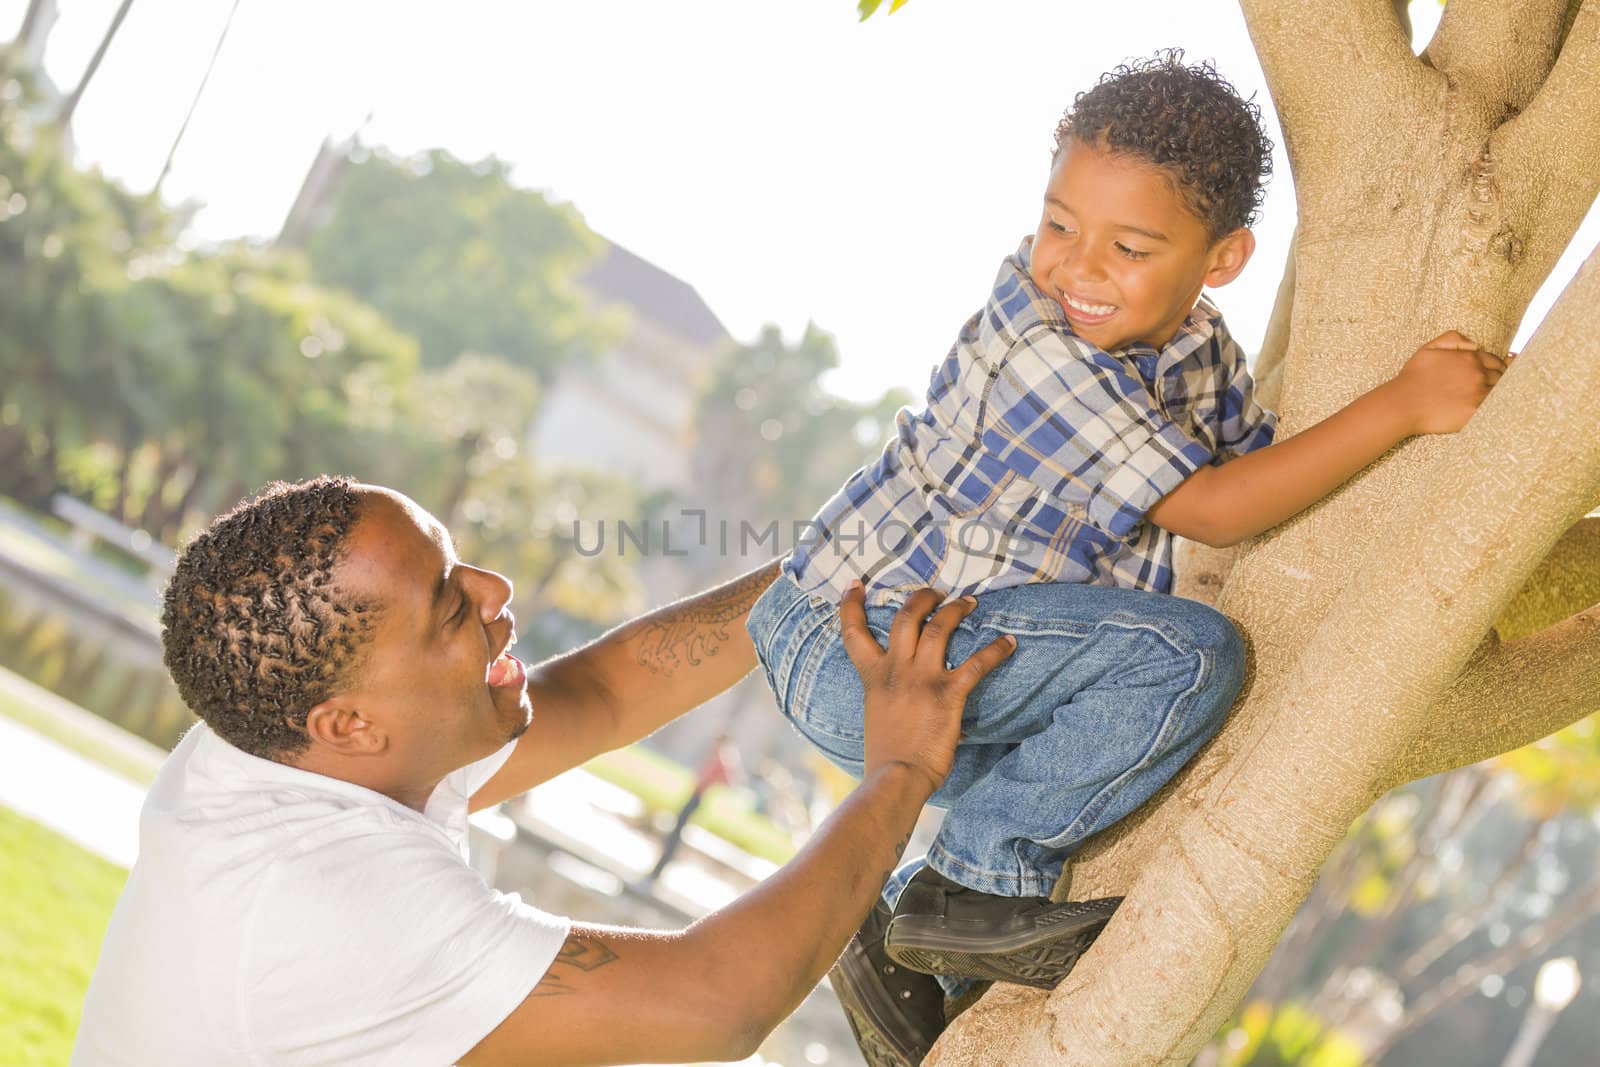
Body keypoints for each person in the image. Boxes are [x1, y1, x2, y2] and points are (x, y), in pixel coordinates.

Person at [746, 51, 1508, 1063]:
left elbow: (1266, 464)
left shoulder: (1196, 346)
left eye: (1128, 246)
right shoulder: (1039, 341)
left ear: (1220, 258)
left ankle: (888, 935)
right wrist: (1403, 403)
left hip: (966, 664)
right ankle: (965, 885)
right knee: (1184, 660)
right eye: (1059, 223)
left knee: (1123, 728)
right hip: (867, 646)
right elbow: (1217, 507)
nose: (1077, 267)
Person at [71, 477, 1016, 1067]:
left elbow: (604, 693)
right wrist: (900, 768)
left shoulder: (282, 731)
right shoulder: (322, 904)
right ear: (350, 722)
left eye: (458, 563)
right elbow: (718, 1003)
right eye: (449, 608)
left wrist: (839, 563)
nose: (495, 591)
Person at [645, 731, 743, 882]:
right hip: (694, 795)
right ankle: (658, 869)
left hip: (698, 797)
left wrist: (714, 783)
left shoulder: (722, 758)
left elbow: (730, 781)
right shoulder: (717, 755)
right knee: (674, 832)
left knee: (675, 835)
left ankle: (659, 870)